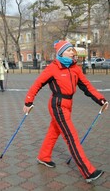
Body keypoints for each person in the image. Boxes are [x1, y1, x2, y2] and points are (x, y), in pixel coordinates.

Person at [23, 40, 108, 183]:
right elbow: (37, 84)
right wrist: (28, 101)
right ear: (61, 53)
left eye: (72, 50)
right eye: (69, 50)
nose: (72, 52)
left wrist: (101, 99)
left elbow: (86, 86)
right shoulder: (53, 68)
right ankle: (88, 171)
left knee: (54, 131)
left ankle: (43, 156)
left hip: (69, 104)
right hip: (57, 105)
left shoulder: (75, 68)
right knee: (71, 137)